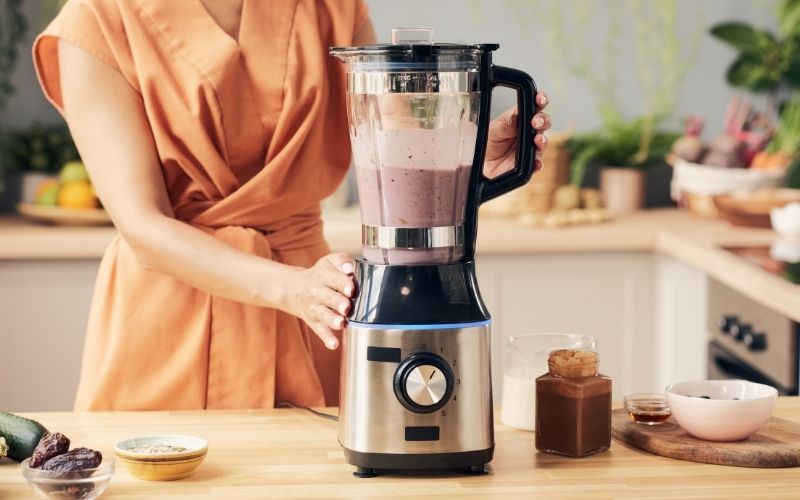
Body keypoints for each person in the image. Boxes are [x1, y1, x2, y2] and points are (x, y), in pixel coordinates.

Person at [33, 0, 552, 411]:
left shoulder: (331, 6)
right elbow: (142, 227)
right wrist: (293, 290)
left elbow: (392, 147)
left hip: (313, 313)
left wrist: (464, 161)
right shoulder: (94, 20)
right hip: (175, 320)